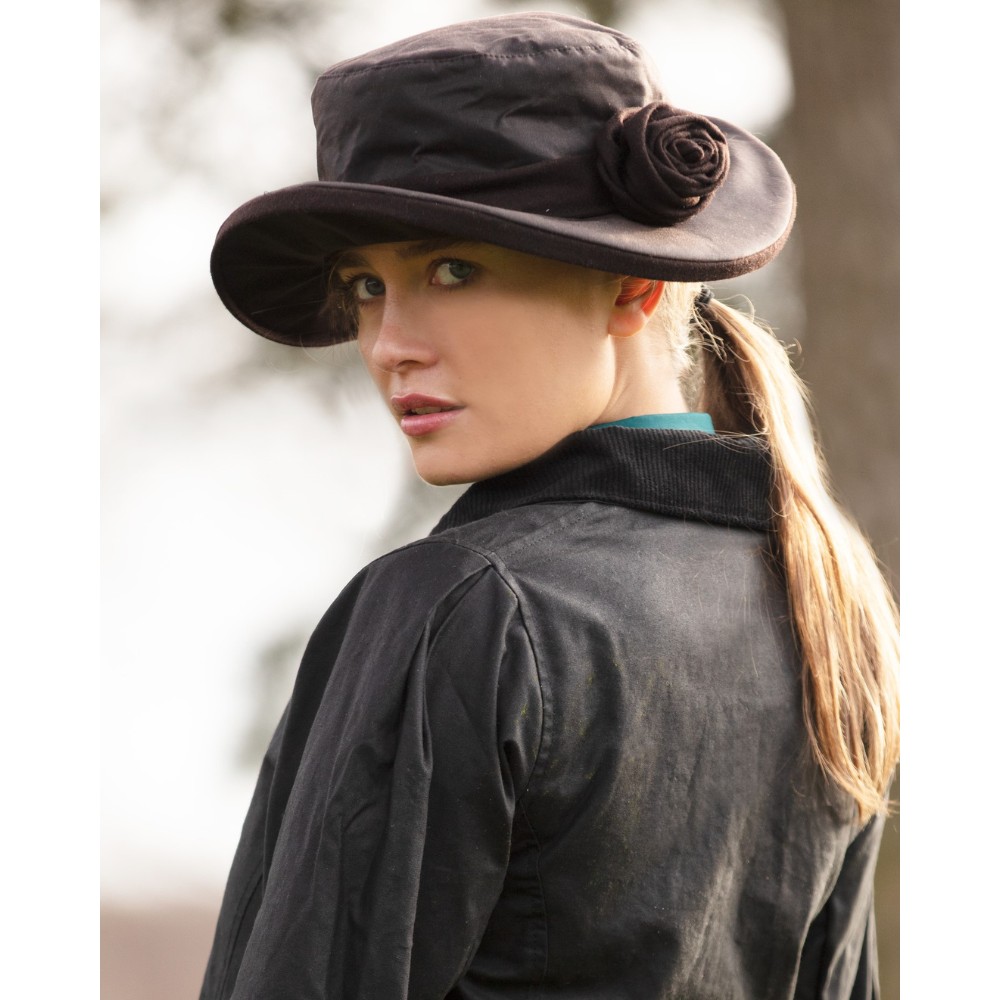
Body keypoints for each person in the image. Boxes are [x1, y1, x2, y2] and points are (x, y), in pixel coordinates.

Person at [201, 12, 899, 1000]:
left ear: (628, 287)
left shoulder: (465, 604)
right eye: (364, 285)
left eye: (452, 268)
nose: (389, 341)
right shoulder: (826, 602)